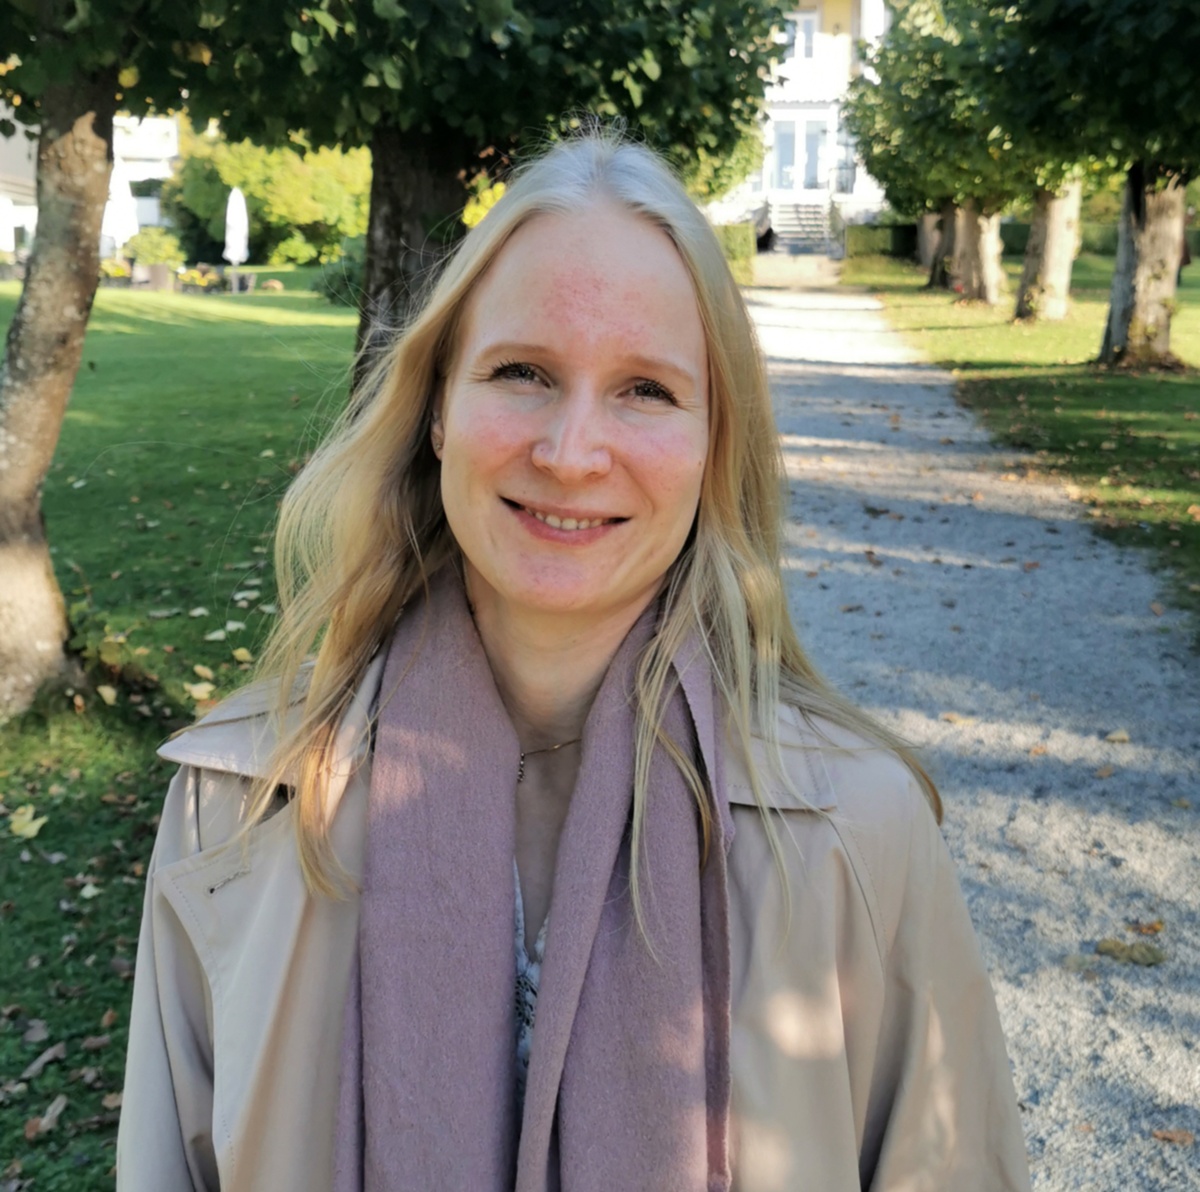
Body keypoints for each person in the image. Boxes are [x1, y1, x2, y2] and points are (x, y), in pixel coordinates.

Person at [116, 130, 1032, 1192]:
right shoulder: (236, 808)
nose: (570, 452)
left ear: (714, 444)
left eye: (646, 389)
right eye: (523, 372)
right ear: (438, 411)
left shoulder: (855, 834)